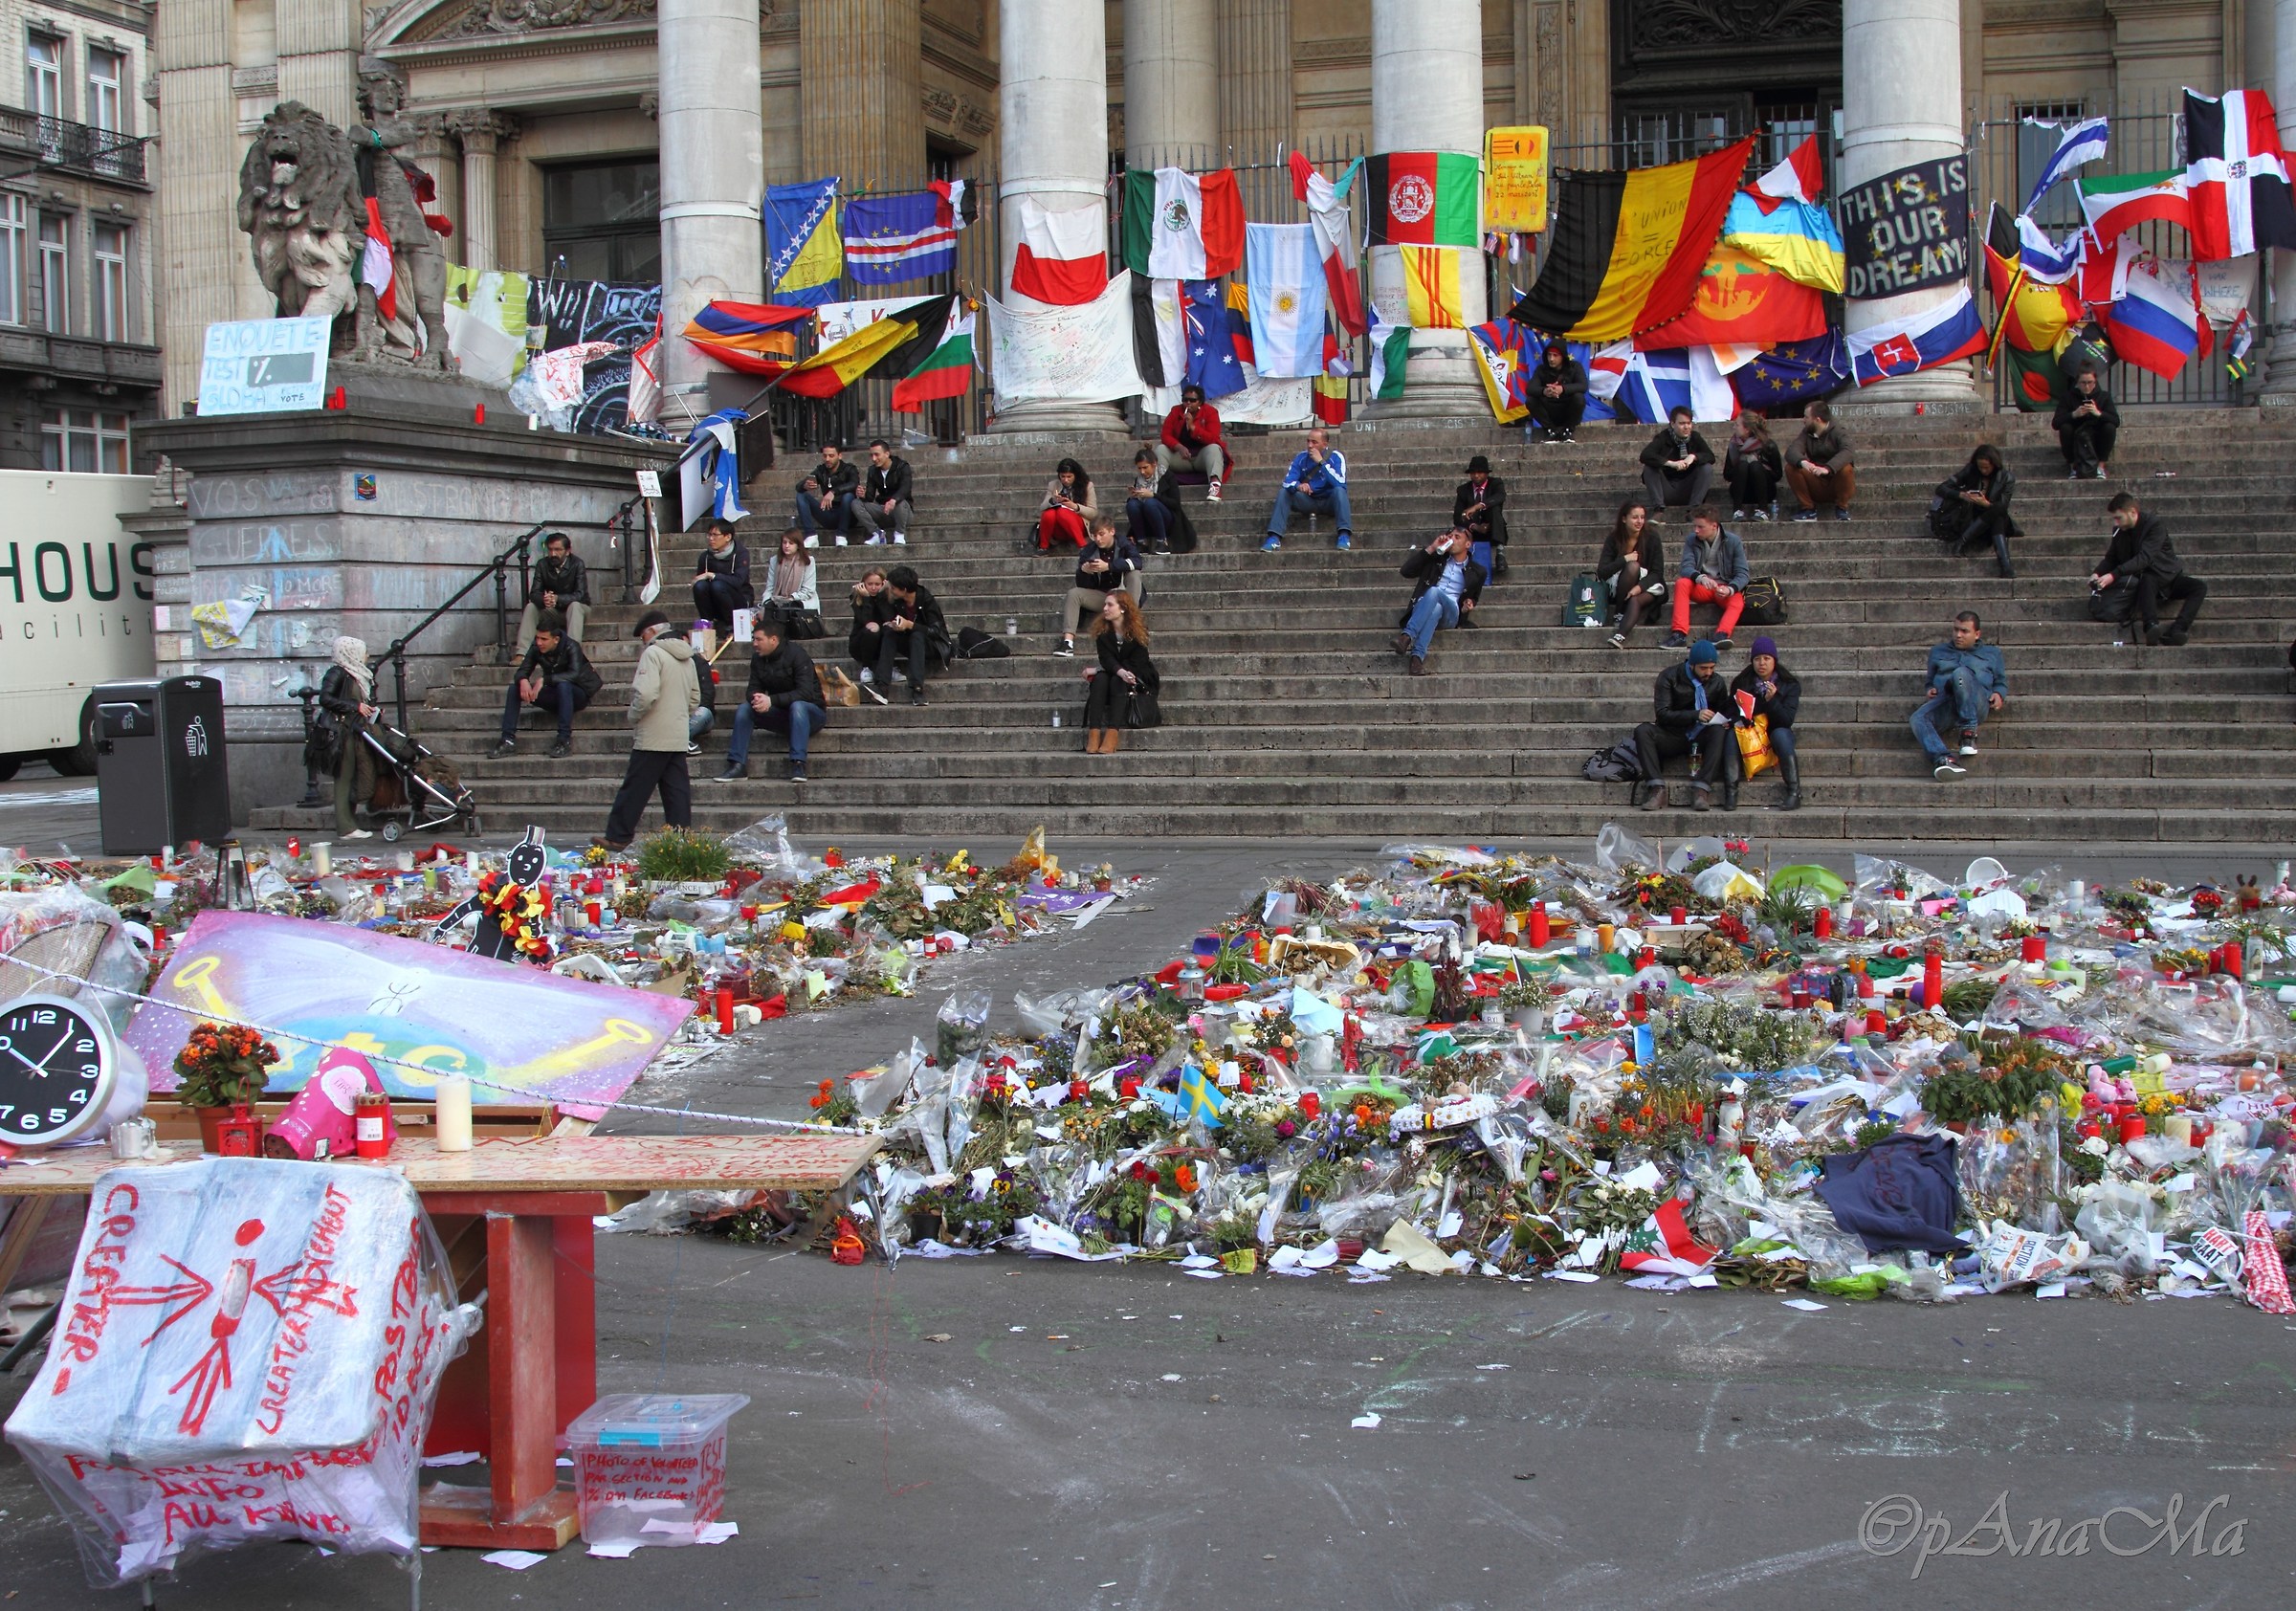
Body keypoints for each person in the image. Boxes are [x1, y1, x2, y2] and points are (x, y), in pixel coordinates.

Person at [596, 608, 700, 849]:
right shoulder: (687, 656)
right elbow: (695, 698)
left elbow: (645, 694)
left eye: (643, 636)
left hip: (653, 733)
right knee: (676, 791)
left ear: (652, 632)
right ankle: (680, 838)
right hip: (677, 732)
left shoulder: (653, 653)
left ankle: (618, 835)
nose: (643, 641)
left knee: (635, 787)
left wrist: (634, 715)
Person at [713, 609, 828, 783]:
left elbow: (806, 693)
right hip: (781, 714)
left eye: (759, 639)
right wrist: (757, 698)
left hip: (811, 715)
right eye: (754, 639)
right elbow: (752, 688)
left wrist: (772, 700)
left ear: (773, 640)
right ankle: (737, 765)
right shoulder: (758, 659)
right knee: (745, 708)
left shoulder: (797, 655)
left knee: (798, 706)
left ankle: (798, 763)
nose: (754, 644)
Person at [1633, 638, 1735, 812]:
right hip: (1672, 734)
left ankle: (1701, 789)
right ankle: (1657, 789)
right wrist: (1695, 715)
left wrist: (1725, 720)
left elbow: (1722, 711)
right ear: (1692, 664)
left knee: (1719, 731)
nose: (1708, 672)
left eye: (1712, 668)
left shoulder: (1717, 682)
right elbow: (1663, 714)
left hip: (1701, 736)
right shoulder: (1669, 677)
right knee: (1643, 731)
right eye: (1703, 668)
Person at [2093, 491, 2206, 646]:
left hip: (2168, 576)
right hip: (2149, 581)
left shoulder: (2154, 526)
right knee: (2147, 578)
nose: (2116, 523)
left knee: (2199, 587)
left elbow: (2145, 557)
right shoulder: (2119, 531)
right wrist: (2097, 573)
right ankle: (2151, 626)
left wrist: (2114, 575)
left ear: (2132, 512)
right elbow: (2111, 558)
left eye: (2118, 518)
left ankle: (2178, 629)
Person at [492, 608, 602, 760]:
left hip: (578, 694)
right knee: (514, 689)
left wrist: (545, 680)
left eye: (544, 639)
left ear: (555, 639)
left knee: (564, 685)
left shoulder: (571, 646)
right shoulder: (536, 648)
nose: (539, 643)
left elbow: (574, 674)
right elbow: (523, 670)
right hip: (555, 694)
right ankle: (507, 740)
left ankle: (564, 740)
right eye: (537, 638)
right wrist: (523, 680)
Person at [1910, 610, 2007, 780]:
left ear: (1977, 634)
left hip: (1976, 703)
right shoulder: (1938, 652)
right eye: (1955, 630)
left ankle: (1968, 733)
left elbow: (2000, 681)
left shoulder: (1992, 654)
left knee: (1960, 673)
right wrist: (1930, 689)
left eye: (1964, 631)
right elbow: (1930, 681)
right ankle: (1943, 759)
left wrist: (1999, 693)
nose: (1958, 635)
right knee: (1918, 718)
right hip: (1947, 702)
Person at [1390, 527, 1484, 676]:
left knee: (1435, 591)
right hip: (1425, 607)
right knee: (1436, 609)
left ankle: (1406, 636)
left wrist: (1469, 603)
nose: (1452, 539)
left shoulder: (1478, 571)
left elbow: (1474, 597)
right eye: (1450, 535)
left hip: (1451, 612)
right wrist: (1432, 547)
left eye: (1457, 537)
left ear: (1468, 545)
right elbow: (1406, 571)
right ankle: (1416, 660)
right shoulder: (1436, 559)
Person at [1081, 590, 1160, 754]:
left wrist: (1118, 672)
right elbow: (1106, 659)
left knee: (1117, 680)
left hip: (1138, 674)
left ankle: (1112, 734)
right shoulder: (1103, 632)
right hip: (1115, 673)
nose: (1105, 608)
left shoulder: (1138, 631)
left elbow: (1138, 662)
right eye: (1105, 604)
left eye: (1110, 605)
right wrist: (1113, 670)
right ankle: (1094, 734)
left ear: (1123, 608)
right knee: (1101, 679)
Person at [318, 634, 379, 840]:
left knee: (353, 775)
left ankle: (350, 823)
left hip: (355, 730)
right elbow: (325, 698)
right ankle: (345, 827)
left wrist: (368, 710)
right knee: (343, 776)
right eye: (363, 652)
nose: (367, 656)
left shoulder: (357, 675)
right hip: (341, 732)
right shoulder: (337, 673)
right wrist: (355, 706)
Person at [1730, 634, 1801, 811]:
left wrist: (1772, 701)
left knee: (1781, 735)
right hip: (1751, 732)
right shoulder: (1742, 682)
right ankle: (1730, 791)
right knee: (1731, 733)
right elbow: (1731, 710)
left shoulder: (1789, 684)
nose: (1762, 663)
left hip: (1775, 732)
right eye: (1757, 659)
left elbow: (1786, 720)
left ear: (1774, 661)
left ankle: (1794, 791)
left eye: (1766, 658)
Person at [1665, 505, 1750, 650]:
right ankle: (1679, 633)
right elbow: (1686, 567)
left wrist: (1730, 589)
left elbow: (1743, 574)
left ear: (1714, 526)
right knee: (1682, 583)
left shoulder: (1733, 541)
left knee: (1737, 601)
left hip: (1723, 587)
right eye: (1695, 526)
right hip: (1702, 587)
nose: (1696, 530)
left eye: (1700, 527)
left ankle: (1722, 634)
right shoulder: (1692, 540)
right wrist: (1700, 578)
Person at [1057, 517, 1144, 655]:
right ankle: (1068, 642)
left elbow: (1138, 562)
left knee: (1134, 574)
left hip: (1124, 595)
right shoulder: (1088, 550)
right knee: (1074, 593)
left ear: (1112, 531)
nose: (1098, 539)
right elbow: (1083, 585)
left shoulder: (1124, 544)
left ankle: (1131, 624)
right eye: (1094, 535)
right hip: (1103, 596)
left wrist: (1109, 566)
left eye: (1101, 534)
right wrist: (1084, 572)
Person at [1933, 444, 2020, 578]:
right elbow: (1941, 488)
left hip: (1994, 520)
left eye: (1986, 467)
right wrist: (1961, 495)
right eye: (1981, 467)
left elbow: (2003, 505)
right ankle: (2006, 567)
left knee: (1998, 513)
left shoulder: (2006, 478)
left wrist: (1986, 504)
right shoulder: (1970, 471)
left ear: (1994, 464)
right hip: (1972, 520)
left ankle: (1962, 541)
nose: (1983, 471)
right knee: (1997, 517)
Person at [1262, 427, 1351, 552]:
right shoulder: (1301, 458)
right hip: (1308, 501)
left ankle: (1344, 535)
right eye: (1308, 441)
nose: (1310, 445)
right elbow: (1287, 482)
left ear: (1325, 444)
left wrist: (1321, 462)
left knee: (1340, 492)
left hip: (1330, 501)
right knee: (1284, 493)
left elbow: (1340, 483)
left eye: (1314, 442)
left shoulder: (1336, 457)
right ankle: (1274, 538)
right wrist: (1299, 486)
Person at [1597, 497, 1667, 649]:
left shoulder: (1652, 537)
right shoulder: (1614, 538)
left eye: (1642, 517)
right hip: (1619, 587)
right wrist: (1624, 559)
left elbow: (1657, 572)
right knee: (1632, 565)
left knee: (1636, 598)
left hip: (1649, 585)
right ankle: (1620, 612)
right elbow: (1602, 572)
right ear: (1624, 519)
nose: (1639, 521)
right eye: (1635, 517)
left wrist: (1639, 587)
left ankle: (1620, 635)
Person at [874, 563, 948, 707]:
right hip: (910, 642)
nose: (891, 590)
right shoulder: (897, 600)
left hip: (933, 646)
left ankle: (917, 689)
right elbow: (881, 605)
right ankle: (882, 687)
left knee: (917, 635)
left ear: (904, 590)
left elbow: (936, 632)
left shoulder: (926, 600)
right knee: (889, 633)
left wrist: (910, 625)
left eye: (894, 588)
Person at [514, 530, 589, 652]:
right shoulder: (542, 564)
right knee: (531, 607)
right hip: (553, 611)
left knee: (575, 606)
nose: (553, 554)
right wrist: (544, 599)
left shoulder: (577, 564)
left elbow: (581, 595)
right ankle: (522, 653)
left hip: (577, 610)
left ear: (568, 551)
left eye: (558, 550)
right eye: (550, 550)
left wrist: (557, 599)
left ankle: (571, 652)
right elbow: (534, 593)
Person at [1783, 401, 1855, 521]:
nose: (1803, 420)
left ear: (1817, 419)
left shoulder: (1839, 431)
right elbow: (1792, 451)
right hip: (1816, 481)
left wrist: (1827, 468)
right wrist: (1804, 462)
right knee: (1791, 467)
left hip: (1835, 481)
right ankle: (1808, 509)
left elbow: (1848, 451)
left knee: (1846, 468)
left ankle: (1842, 508)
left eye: (1806, 417)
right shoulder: (1807, 433)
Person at [1639, 407, 1715, 518]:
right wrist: (1670, 463)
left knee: (1706, 468)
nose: (1686, 427)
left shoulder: (1695, 437)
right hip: (1667, 488)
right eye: (1682, 423)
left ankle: (1694, 510)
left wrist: (1693, 457)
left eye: (1689, 423)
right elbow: (1645, 455)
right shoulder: (1663, 438)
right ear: (1673, 424)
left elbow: (1710, 456)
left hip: (1689, 488)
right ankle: (1659, 510)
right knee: (1649, 468)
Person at [1157, 384, 1226, 500]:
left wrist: (1193, 428)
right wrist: (1179, 447)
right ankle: (1159, 485)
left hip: (1201, 458)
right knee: (1161, 449)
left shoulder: (1210, 412)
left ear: (1200, 402)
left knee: (1214, 448)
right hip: (1182, 458)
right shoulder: (1175, 411)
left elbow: (1213, 438)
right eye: (1185, 400)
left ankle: (1215, 486)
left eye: (1192, 400)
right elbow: (1165, 435)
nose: (1188, 403)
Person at [2054, 366, 2120, 479]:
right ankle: (2073, 467)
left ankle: (2100, 466)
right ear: (2077, 383)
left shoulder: (2104, 396)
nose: (2087, 386)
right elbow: (2056, 423)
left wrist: (2099, 413)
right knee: (2065, 428)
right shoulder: (2068, 397)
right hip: (2077, 435)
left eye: (2090, 382)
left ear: (2095, 382)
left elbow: (2116, 421)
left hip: (2096, 434)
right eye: (2083, 383)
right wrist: (2073, 415)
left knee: (2109, 427)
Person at [1452, 454, 1510, 579]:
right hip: (1473, 530)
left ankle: (1500, 553)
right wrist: (1475, 527)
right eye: (1473, 473)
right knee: (1459, 523)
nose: (1476, 476)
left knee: (1494, 508)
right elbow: (1457, 517)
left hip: (1492, 526)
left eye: (1480, 472)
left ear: (1486, 474)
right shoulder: (1463, 490)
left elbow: (1500, 497)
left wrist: (1477, 506)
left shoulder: (1495, 483)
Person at [793, 442, 860, 545]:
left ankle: (841, 535)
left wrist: (833, 492)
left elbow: (854, 484)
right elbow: (798, 487)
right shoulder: (821, 470)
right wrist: (804, 485)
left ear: (840, 455)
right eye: (825, 456)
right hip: (829, 514)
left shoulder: (849, 469)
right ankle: (811, 536)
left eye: (831, 456)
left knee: (848, 496)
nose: (827, 459)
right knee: (801, 495)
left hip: (848, 516)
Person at [850, 438, 914, 545]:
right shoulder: (873, 471)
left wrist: (893, 500)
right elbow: (870, 497)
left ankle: (899, 534)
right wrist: (863, 495)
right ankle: (877, 534)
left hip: (903, 512)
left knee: (900, 502)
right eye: (871, 455)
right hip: (883, 509)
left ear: (887, 454)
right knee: (855, 503)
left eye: (877, 455)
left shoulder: (902, 467)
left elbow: (905, 488)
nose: (874, 459)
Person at [691, 519, 751, 630]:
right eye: (709, 535)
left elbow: (738, 581)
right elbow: (700, 579)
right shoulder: (705, 556)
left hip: (738, 599)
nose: (711, 539)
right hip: (715, 601)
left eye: (715, 535)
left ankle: (730, 624)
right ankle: (707, 623)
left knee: (717, 585)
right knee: (700, 586)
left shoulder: (741, 554)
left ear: (727, 537)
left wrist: (712, 575)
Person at [761, 527, 823, 636]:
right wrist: (766, 602)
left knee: (785, 609)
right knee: (769, 607)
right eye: (784, 543)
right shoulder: (775, 560)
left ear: (798, 545)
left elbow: (808, 590)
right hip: (778, 599)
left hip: (800, 600)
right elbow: (770, 587)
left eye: (791, 543)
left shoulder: (808, 561)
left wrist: (791, 598)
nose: (787, 546)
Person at [1523, 340, 1587, 443]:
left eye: (1555, 355)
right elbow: (1530, 388)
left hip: (1568, 409)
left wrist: (1563, 389)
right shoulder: (1541, 370)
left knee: (1579, 398)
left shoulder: (1575, 367)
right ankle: (1551, 431)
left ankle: (1567, 431)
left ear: (1562, 356)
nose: (1551, 359)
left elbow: (1583, 386)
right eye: (1549, 355)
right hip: (1549, 410)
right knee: (1531, 400)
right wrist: (1545, 391)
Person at [847, 565, 894, 703]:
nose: (873, 588)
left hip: (882, 644)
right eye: (870, 584)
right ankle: (866, 667)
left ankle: (887, 667)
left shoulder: (887, 597)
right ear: (863, 584)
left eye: (877, 584)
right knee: (872, 629)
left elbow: (888, 618)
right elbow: (865, 621)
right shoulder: (857, 597)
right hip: (861, 643)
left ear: (883, 584)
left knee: (888, 628)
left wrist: (880, 597)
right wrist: (867, 599)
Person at [1724, 412, 1782, 520]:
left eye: (1737, 425)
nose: (1734, 427)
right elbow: (1727, 475)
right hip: (1742, 491)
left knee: (1755, 465)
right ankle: (1737, 511)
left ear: (1747, 429)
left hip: (1764, 490)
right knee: (1743, 464)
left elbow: (1777, 475)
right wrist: (1742, 467)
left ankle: (1763, 511)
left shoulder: (1768, 445)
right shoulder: (1734, 445)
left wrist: (1760, 467)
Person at [1036, 458, 1096, 551]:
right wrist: (1053, 500)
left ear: (1075, 475)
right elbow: (1042, 507)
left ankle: (1083, 546)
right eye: (1062, 476)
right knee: (1049, 514)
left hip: (1078, 525)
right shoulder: (1053, 485)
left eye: (1069, 477)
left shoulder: (1087, 485)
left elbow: (1093, 513)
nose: (1065, 480)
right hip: (1058, 528)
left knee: (1062, 512)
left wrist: (1074, 506)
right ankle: (1043, 547)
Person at [1124, 448, 1172, 555]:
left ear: (1154, 464)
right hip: (1146, 517)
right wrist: (1135, 496)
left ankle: (1163, 542)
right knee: (1132, 504)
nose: (1142, 471)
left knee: (1150, 503)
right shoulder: (1139, 479)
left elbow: (1174, 503)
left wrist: (1153, 495)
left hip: (1165, 517)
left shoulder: (1166, 476)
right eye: (1139, 468)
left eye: (1145, 467)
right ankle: (1142, 542)